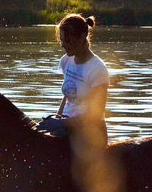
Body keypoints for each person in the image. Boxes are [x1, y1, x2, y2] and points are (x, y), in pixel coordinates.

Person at [38, 14, 109, 148]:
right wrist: (57, 120)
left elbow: (96, 115)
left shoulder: (97, 69)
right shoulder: (66, 60)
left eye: (68, 41)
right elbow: (67, 96)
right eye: (61, 41)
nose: (63, 46)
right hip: (66, 128)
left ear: (82, 37)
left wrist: (63, 124)